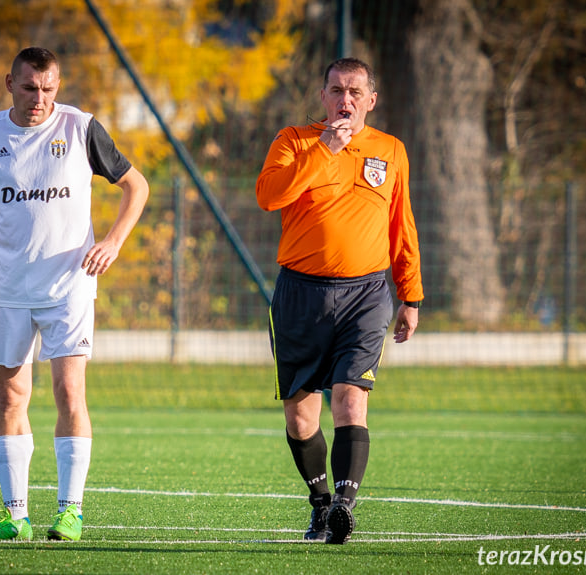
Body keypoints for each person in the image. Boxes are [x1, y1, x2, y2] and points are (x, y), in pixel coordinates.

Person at [0, 47, 149, 542]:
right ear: (9, 83)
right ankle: (15, 515)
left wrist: (112, 242)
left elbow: (136, 186)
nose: (39, 99)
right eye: (29, 88)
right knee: (11, 397)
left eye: (48, 89)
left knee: (69, 392)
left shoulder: (80, 127)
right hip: (6, 287)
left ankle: (71, 512)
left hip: (68, 286)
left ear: (57, 88)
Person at [255, 57, 423, 544]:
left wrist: (410, 295)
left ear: (371, 100)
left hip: (366, 295)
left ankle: (345, 507)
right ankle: (321, 503)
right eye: (335, 91)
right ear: (322, 96)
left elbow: (402, 226)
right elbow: (269, 196)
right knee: (301, 416)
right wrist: (324, 150)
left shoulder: (391, 151)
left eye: (354, 92)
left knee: (351, 401)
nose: (344, 101)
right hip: (300, 295)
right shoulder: (294, 141)